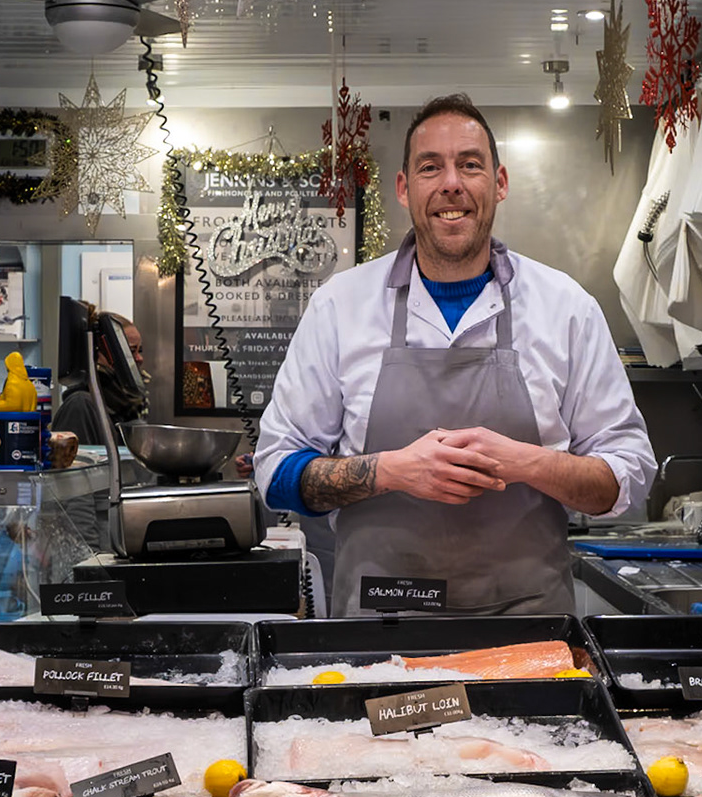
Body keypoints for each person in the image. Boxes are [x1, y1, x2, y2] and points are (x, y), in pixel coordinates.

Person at [256, 93, 655, 616]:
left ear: (500, 182)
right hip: (382, 629)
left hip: (528, 629)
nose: (451, 183)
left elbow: (627, 475)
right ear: (403, 188)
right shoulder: (340, 306)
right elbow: (276, 472)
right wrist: (392, 471)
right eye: (430, 167)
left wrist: (526, 462)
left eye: (470, 164)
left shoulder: (566, 308)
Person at [51, 311, 146, 445]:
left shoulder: (125, 406)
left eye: (139, 351)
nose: (139, 358)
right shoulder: (81, 406)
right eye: (131, 351)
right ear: (103, 351)